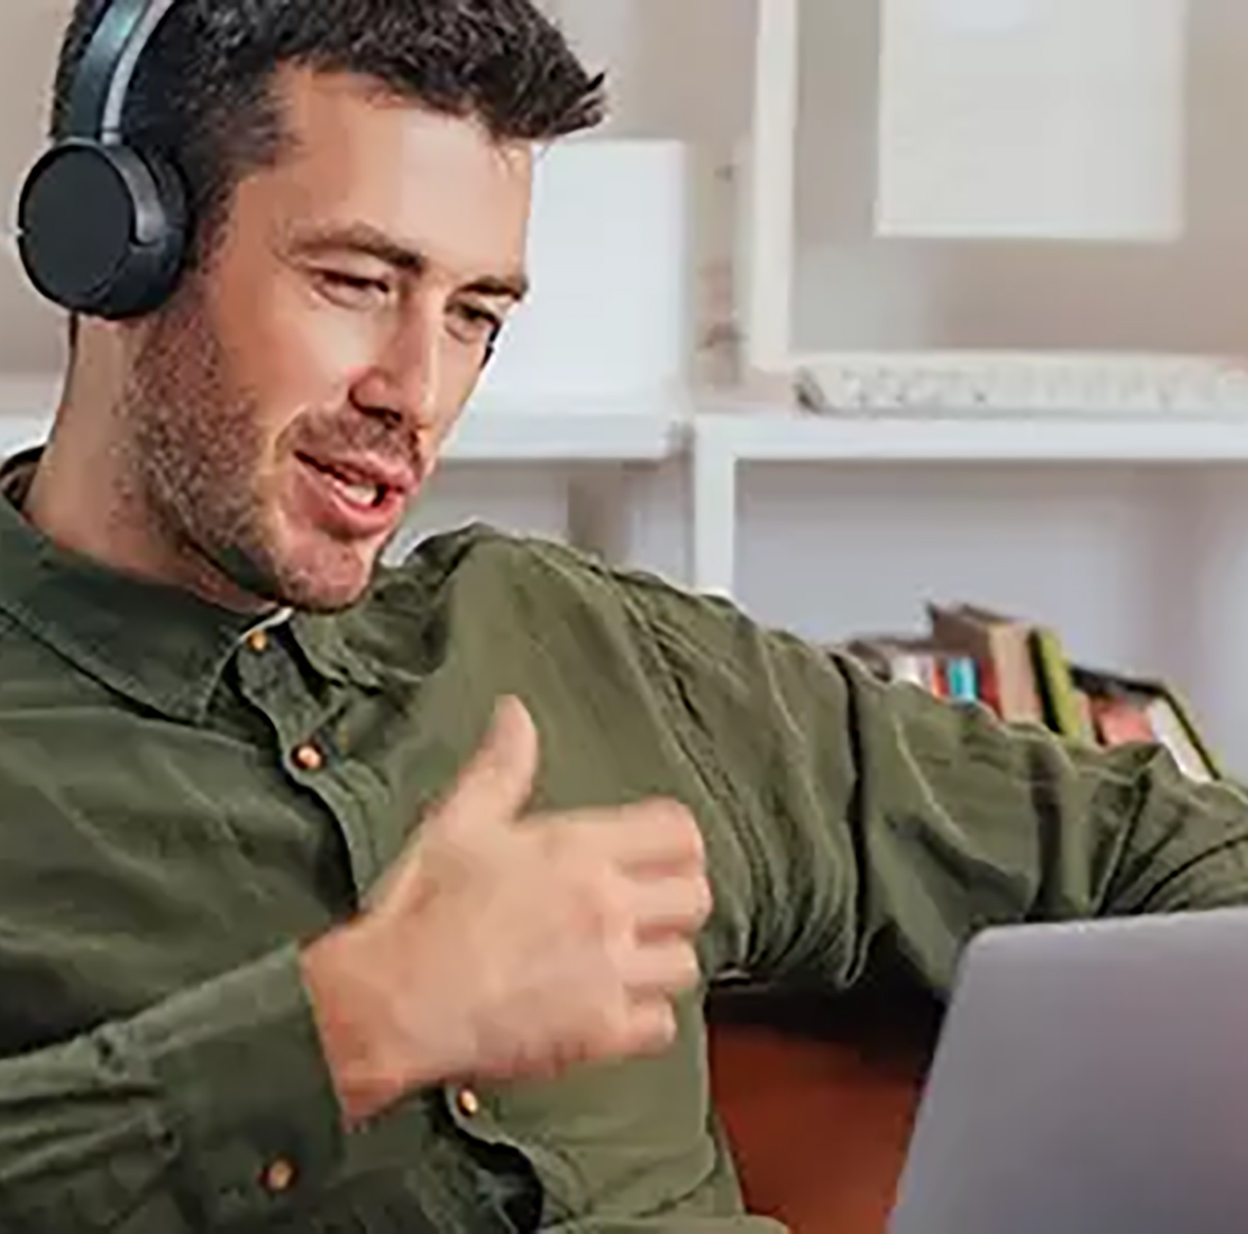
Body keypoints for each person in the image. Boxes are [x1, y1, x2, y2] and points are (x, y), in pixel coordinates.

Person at [2, 1, 1248, 1230]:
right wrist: (351, 1025)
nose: (418, 392)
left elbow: (1169, 850)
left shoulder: (576, 641)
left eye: (475, 314)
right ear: (117, 249)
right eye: (356, 280)